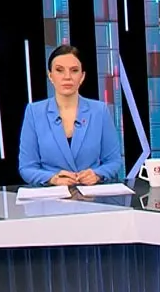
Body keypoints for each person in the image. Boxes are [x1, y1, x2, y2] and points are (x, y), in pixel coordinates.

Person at [18, 45, 123, 186]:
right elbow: (27, 167)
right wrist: (52, 178)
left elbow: (113, 161)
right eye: (59, 70)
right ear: (50, 76)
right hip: (51, 196)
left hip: (91, 195)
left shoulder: (100, 111)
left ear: (82, 76)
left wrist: (97, 174)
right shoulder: (34, 112)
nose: (67, 77)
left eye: (74, 70)